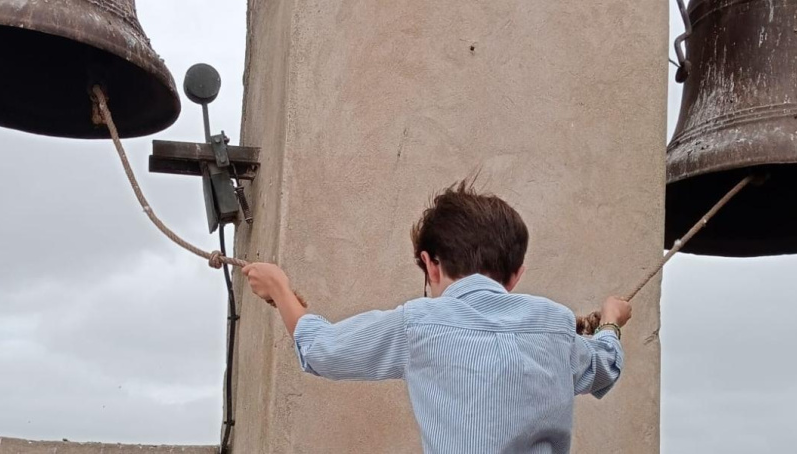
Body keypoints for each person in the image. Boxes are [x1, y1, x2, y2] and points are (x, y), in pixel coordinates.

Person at [241, 180, 631, 454]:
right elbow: (605, 365)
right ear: (516, 275)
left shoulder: (420, 324)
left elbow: (319, 348)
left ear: (430, 265)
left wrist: (279, 288)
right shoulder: (556, 324)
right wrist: (611, 321)